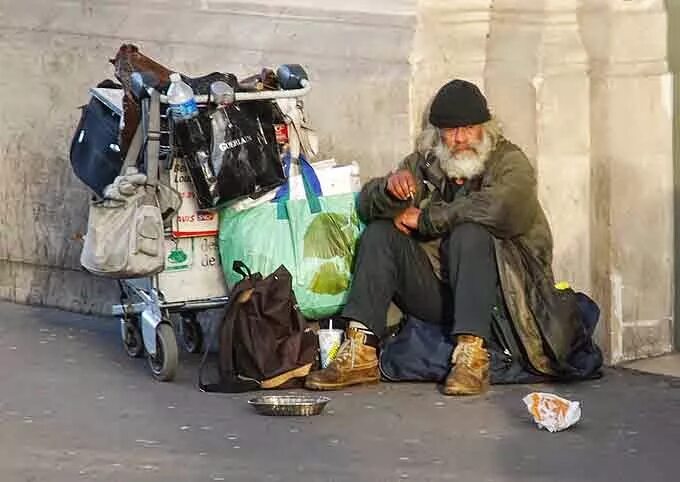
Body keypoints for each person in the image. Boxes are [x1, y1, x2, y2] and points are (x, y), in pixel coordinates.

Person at [305, 79, 592, 396]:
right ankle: (360, 349)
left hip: (504, 302)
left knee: (469, 233)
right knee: (381, 233)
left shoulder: (509, 161)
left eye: (469, 129)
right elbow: (366, 205)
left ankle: (472, 357)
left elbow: (503, 207)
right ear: (437, 133)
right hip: (442, 293)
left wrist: (427, 219)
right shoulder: (425, 163)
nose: (461, 139)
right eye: (451, 131)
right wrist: (388, 191)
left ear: (485, 127)